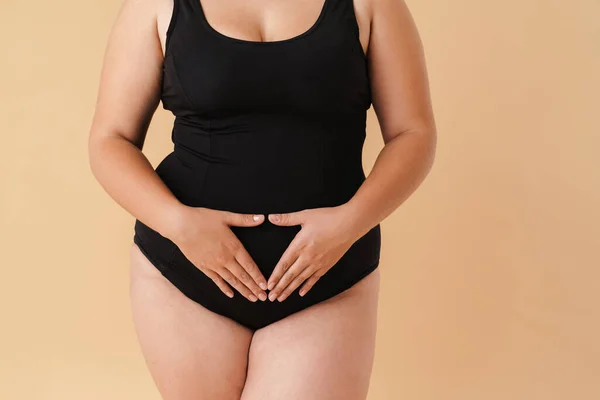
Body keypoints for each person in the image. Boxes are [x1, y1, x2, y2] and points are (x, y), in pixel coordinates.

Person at [88, 0, 436, 398]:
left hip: (326, 278)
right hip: (187, 274)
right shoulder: (157, 5)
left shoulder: (371, 4)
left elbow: (414, 133)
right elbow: (109, 140)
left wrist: (349, 223)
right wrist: (180, 226)